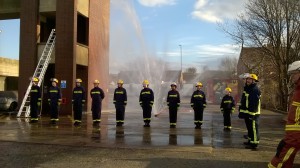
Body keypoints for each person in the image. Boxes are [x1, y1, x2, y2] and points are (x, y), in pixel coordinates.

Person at [268, 61, 300, 168]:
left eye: (294, 73)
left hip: (295, 135)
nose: (292, 77)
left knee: (279, 161)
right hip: (293, 134)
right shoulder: (297, 89)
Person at [238, 73, 261, 149]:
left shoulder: (254, 89)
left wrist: (252, 114)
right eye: (247, 79)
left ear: (254, 81)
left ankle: (254, 144)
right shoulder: (248, 88)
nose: (248, 80)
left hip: (253, 113)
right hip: (247, 112)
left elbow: (254, 103)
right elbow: (245, 100)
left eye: (250, 79)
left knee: (254, 128)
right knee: (249, 128)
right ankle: (250, 141)